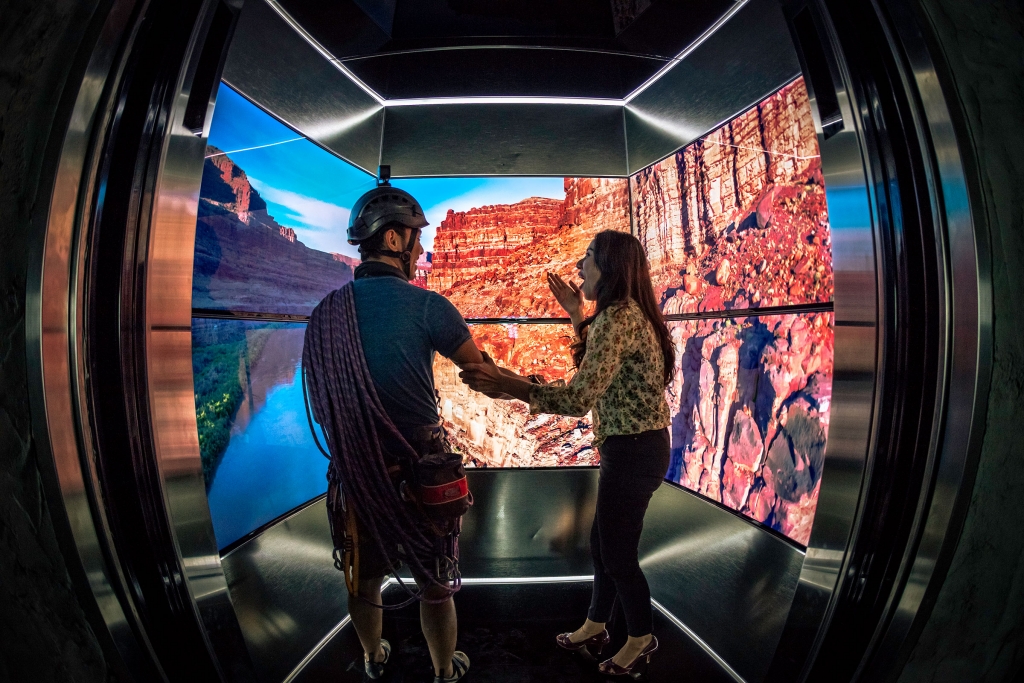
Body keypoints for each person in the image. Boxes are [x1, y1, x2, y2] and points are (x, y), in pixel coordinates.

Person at [459, 229, 675, 677]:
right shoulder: (623, 314)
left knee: (618, 556)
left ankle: (641, 638)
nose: (579, 266)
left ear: (610, 266)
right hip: (634, 449)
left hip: (634, 452)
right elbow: (595, 369)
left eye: (589, 256)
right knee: (603, 546)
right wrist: (577, 314)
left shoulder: (617, 318)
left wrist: (510, 385)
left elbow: (578, 399)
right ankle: (596, 626)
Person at [303, 184, 480, 683]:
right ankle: (444, 670)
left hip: (357, 470)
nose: (421, 249)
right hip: (421, 470)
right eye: (416, 238)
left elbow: (322, 402)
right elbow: (478, 370)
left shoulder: (324, 316)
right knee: (435, 582)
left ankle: (373, 657)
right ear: (395, 239)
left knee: (363, 579)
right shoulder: (428, 306)